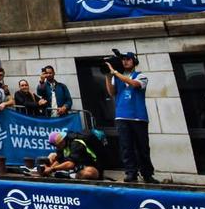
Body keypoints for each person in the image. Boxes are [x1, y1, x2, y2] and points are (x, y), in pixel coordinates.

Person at [104, 51, 154, 183]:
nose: (125, 62)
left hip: (138, 117)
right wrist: (108, 76)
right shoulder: (116, 77)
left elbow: (134, 84)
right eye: (123, 60)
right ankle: (131, 173)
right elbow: (111, 92)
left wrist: (115, 73)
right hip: (122, 116)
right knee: (126, 147)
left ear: (134, 61)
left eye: (128, 59)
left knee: (142, 147)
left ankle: (147, 174)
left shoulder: (141, 76)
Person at [38, 129, 105, 180]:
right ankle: (68, 174)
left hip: (93, 168)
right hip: (77, 169)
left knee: (87, 173)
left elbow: (71, 164)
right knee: (52, 156)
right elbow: (59, 160)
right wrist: (49, 169)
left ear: (62, 141)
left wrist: (52, 169)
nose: (56, 148)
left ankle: (70, 175)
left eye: (57, 146)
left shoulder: (76, 144)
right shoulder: (61, 146)